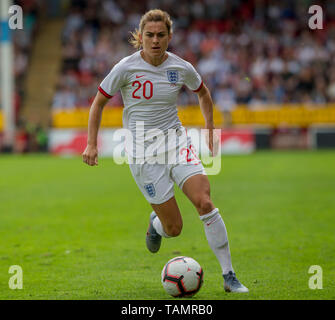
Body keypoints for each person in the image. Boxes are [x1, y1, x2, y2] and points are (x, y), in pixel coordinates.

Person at [82, 9, 248, 293]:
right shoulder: (125, 67)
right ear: (141, 37)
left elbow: (203, 94)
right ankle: (157, 224)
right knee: (175, 228)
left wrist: (209, 130)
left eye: (161, 35)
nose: (155, 40)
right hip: (143, 155)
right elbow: (98, 103)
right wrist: (91, 143)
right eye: (149, 35)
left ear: (169, 37)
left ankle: (229, 275)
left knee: (205, 202)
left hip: (176, 143)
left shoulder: (181, 67)